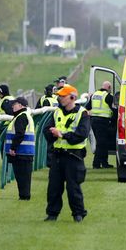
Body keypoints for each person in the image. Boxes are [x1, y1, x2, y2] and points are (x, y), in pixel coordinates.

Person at [43, 84, 90, 222]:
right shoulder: (57, 112)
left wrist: (61, 134)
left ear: (72, 97)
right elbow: (46, 130)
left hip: (74, 156)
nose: (60, 98)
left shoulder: (82, 113)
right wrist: (55, 135)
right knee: (54, 188)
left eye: (63, 96)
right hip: (57, 155)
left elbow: (81, 135)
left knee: (73, 188)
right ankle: (52, 214)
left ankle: (78, 214)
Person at [5, 98, 35, 200]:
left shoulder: (21, 117)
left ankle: (24, 197)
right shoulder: (25, 115)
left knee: (22, 177)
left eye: (15, 104)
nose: (13, 106)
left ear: (21, 106)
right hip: (26, 152)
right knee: (24, 177)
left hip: (21, 152)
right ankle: (24, 196)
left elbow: (19, 134)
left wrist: (13, 148)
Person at [86, 81, 117, 169]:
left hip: (94, 121)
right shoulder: (108, 96)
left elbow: (88, 107)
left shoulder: (94, 95)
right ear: (109, 87)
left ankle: (104, 163)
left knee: (103, 143)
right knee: (101, 143)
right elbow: (114, 110)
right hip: (103, 122)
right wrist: (114, 120)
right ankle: (96, 164)